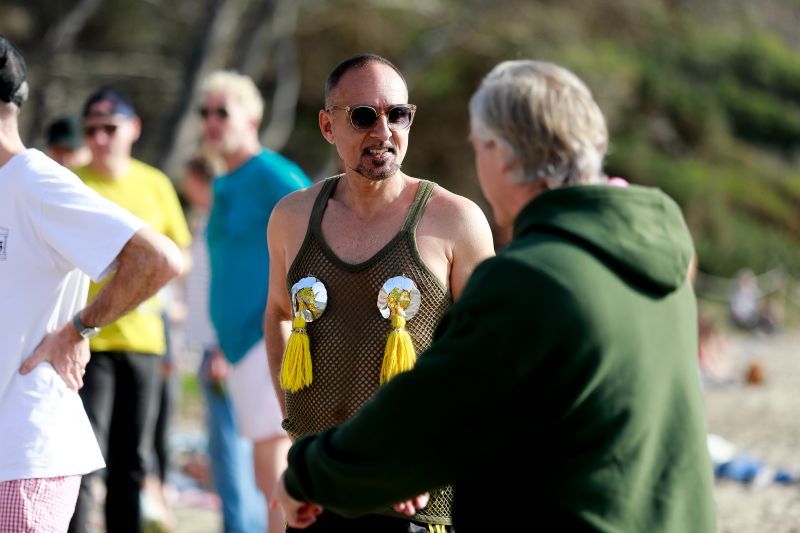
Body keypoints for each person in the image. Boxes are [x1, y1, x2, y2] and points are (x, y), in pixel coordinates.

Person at [274, 59, 717, 532]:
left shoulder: (530, 280)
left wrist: (304, 476)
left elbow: (433, 411)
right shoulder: (659, 252)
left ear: (500, 155)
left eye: (477, 144)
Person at [264, 54, 495, 532]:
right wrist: (295, 430)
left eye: (398, 114)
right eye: (364, 115)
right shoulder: (291, 217)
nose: (383, 131)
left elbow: (487, 358)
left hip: (414, 499)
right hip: (320, 490)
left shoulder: (456, 220)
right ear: (328, 126)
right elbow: (278, 315)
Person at [0, 35, 182, 532]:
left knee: (129, 465)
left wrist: (78, 328)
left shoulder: (37, 179)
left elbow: (158, 259)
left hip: (25, 455)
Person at [69, 86, 192, 533]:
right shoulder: (72, 181)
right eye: (92, 130)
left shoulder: (154, 182)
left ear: (133, 128)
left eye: (110, 128)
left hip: (144, 341)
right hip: (86, 338)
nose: (100, 138)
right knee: (83, 457)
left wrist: (142, 269)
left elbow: (181, 253)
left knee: (134, 459)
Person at [198, 70, 312, 532]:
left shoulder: (272, 173)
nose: (210, 122)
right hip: (239, 346)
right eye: (204, 113)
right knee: (264, 479)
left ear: (253, 117)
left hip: (273, 337)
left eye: (222, 112)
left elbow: (322, 233)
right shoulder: (224, 182)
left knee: (275, 476)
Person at [181, 155, 267, 532]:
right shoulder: (210, 222)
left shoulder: (228, 227)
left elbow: (230, 289)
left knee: (232, 453)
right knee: (224, 452)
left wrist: (220, 348)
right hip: (212, 348)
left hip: (223, 351)